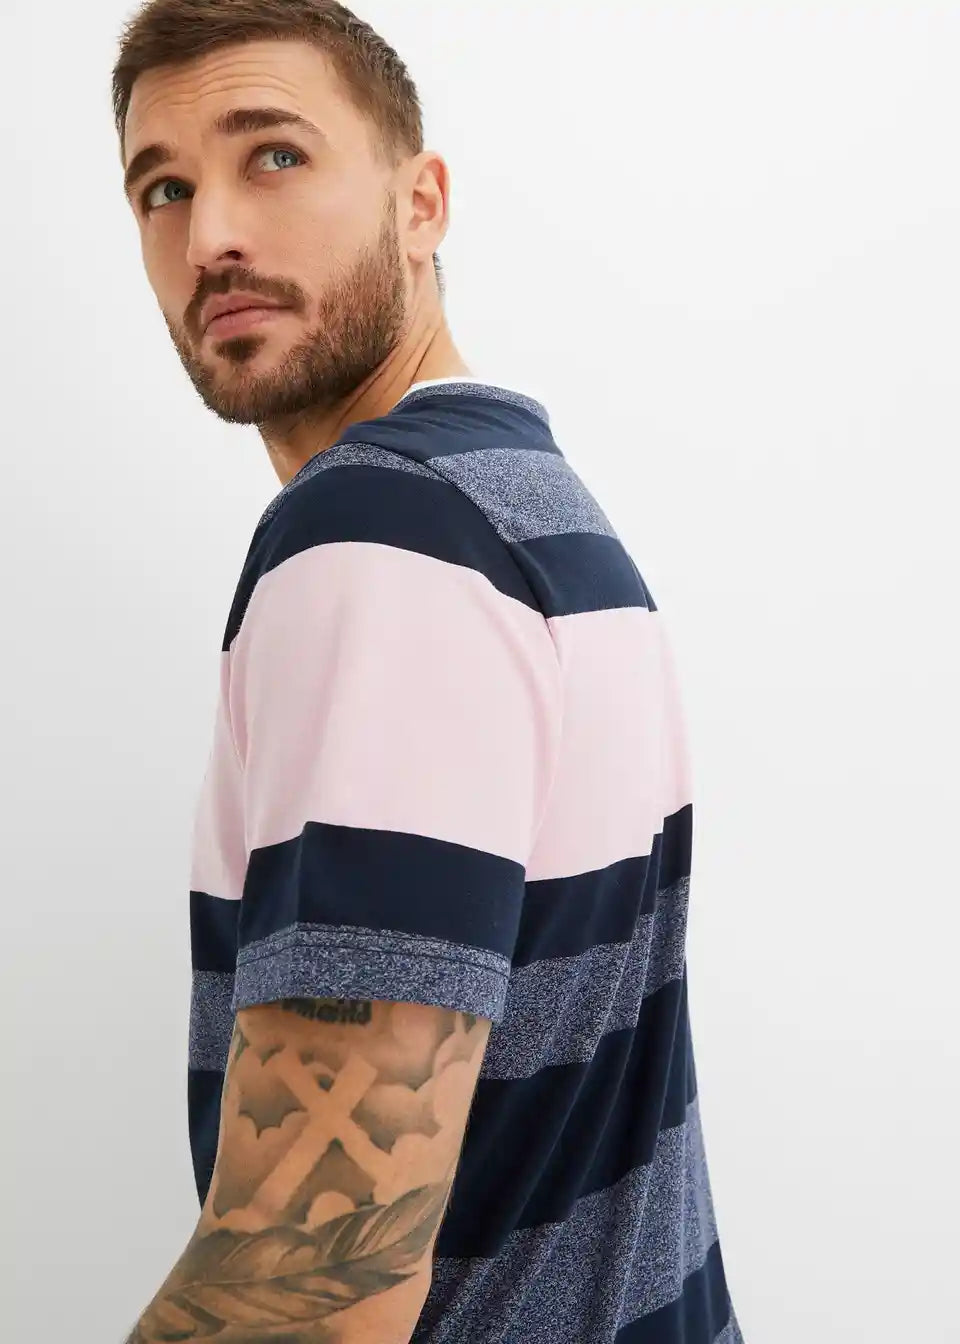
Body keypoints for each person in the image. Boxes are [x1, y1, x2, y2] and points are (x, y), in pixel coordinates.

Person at [112, 3, 743, 1341]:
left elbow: (313, 1284)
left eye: (273, 155)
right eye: (162, 188)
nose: (209, 233)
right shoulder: (529, 505)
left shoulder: (386, 536)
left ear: (421, 204)